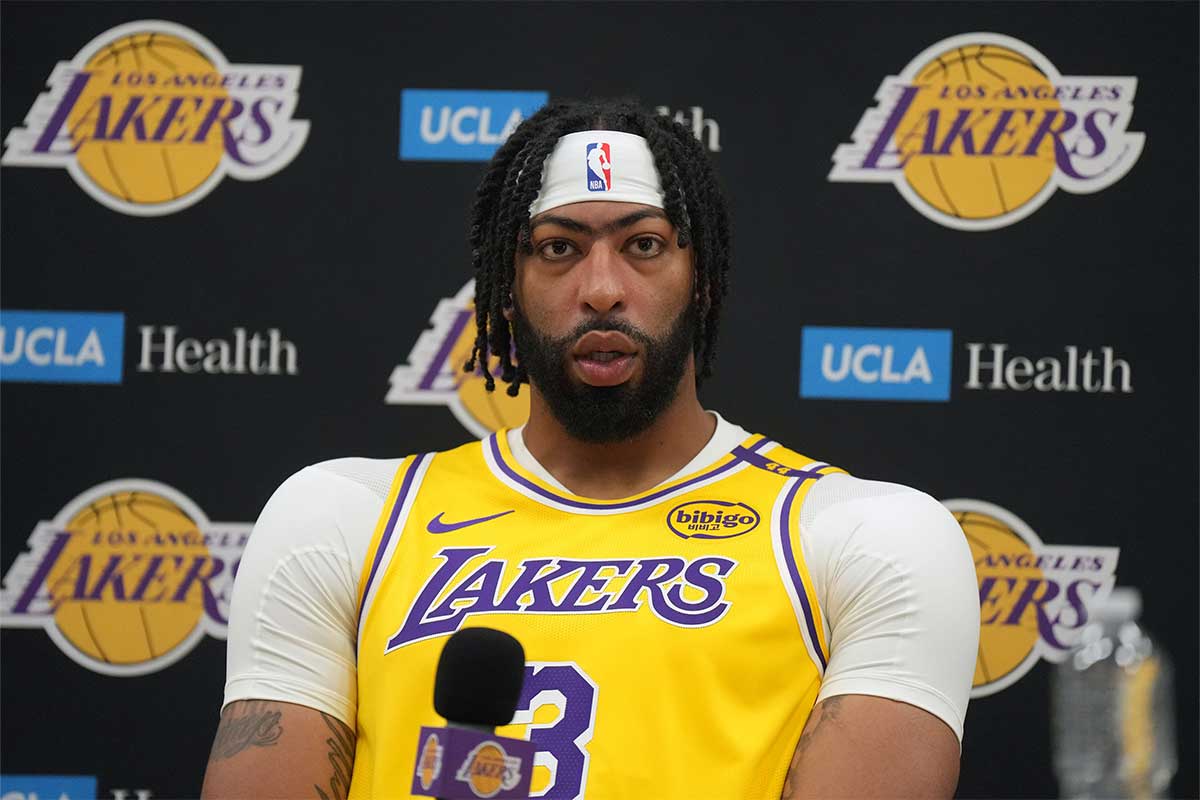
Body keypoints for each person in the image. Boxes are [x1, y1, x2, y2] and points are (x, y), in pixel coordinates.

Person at [200, 98, 979, 800]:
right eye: (558, 248)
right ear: (506, 287)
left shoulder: (864, 536)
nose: (602, 288)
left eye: (643, 245)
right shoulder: (345, 517)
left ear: (700, 280)